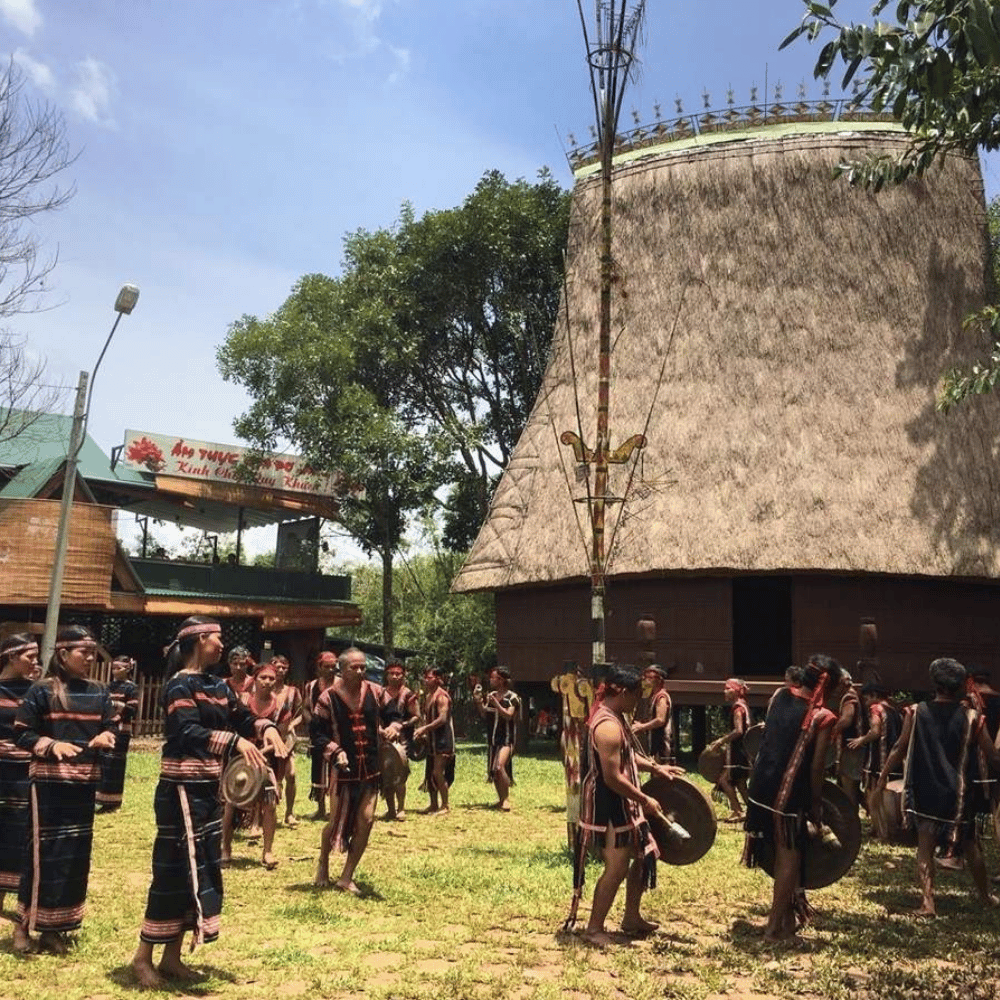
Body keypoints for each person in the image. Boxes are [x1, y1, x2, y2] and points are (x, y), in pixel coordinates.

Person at [131, 616, 285, 988]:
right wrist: (235, 742)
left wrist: (265, 727)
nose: (222, 645)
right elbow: (187, 731)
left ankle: (171, 958)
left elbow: (241, 716)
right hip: (180, 791)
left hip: (207, 790)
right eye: (217, 639)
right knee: (173, 871)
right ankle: (142, 958)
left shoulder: (217, 685)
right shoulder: (178, 685)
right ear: (201, 640)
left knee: (198, 871)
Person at [13, 625, 117, 955]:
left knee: (73, 859)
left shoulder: (99, 692)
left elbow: (111, 727)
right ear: (63, 653)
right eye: (83, 652)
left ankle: (54, 929)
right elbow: (22, 733)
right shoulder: (42, 691)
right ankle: (22, 927)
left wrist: (106, 737)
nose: (90, 658)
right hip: (48, 787)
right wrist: (51, 745)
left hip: (83, 786)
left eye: (93, 652)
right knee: (43, 857)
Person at [566, 664, 683, 947]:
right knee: (617, 866)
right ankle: (593, 929)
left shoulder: (617, 718)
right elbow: (613, 777)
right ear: (622, 693)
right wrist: (645, 799)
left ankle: (631, 917)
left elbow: (627, 756)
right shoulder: (607, 726)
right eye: (636, 694)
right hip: (608, 803)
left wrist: (655, 768)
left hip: (622, 799)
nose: (639, 701)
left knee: (643, 855)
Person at [874, 657, 1000, 917]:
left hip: (926, 790)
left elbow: (898, 748)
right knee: (971, 845)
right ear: (960, 686)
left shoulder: (916, 712)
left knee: (925, 847)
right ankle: (986, 896)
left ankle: (928, 903)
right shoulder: (973, 717)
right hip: (959, 794)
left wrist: (882, 778)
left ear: (935, 683)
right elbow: (992, 755)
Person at [743, 653, 842, 942]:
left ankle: (786, 918)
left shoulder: (779, 695)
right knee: (789, 856)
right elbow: (816, 767)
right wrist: (816, 806)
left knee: (779, 851)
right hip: (786, 793)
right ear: (828, 686)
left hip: (759, 786)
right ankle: (774, 928)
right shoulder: (823, 717)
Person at [312, 647, 383, 894]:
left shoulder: (376, 692)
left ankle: (346, 876)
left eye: (363, 667)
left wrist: (394, 727)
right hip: (342, 773)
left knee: (367, 820)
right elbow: (317, 734)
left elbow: (395, 714)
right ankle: (323, 862)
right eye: (355, 667)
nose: (361, 671)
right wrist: (335, 750)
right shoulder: (327, 698)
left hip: (371, 770)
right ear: (342, 669)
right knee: (334, 822)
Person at [222, 660, 291, 870]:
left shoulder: (280, 708)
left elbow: (281, 739)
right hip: (239, 760)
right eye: (263, 677)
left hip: (267, 761)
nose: (267, 682)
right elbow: (231, 728)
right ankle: (225, 847)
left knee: (270, 805)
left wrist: (262, 752)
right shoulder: (241, 701)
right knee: (230, 803)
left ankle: (267, 851)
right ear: (255, 679)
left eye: (271, 678)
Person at [0, 634, 39, 932]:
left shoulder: (37, 692)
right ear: (12, 657)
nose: (36, 662)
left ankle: (13, 906)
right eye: (30, 657)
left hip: (26, 774)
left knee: (19, 836)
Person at [849, 681, 903, 837]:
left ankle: (880, 831)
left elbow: (875, 731)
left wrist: (861, 740)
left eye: (867, 698)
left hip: (878, 760)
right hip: (893, 760)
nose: (866, 702)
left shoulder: (876, 709)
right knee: (887, 796)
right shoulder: (895, 711)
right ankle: (885, 828)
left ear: (874, 695)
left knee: (873, 796)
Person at [96, 654, 140, 812]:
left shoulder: (131, 688)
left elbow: (132, 709)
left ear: (127, 669)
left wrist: (115, 706)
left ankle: (114, 802)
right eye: (113, 668)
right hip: (106, 730)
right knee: (104, 763)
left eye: (118, 668)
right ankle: (102, 799)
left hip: (122, 732)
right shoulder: (108, 687)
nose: (115, 671)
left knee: (116, 765)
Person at [475, 666, 521, 811]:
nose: (490, 680)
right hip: (493, 739)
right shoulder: (491, 695)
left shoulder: (512, 698)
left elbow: (509, 716)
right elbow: (484, 713)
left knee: (500, 766)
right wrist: (478, 701)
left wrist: (496, 704)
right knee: (494, 771)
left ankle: (506, 799)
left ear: (500, 680)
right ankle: (500, 799)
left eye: (493, 677)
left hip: (507, 739)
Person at [377, 661, 418, 820]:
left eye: (398, 673)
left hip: (403, 738)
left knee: (399, 773)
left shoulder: (408, 694)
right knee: (385, 772)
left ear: (403, 675)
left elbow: (416, 716)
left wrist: (401, 726)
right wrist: (381, 729)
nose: (395, 676)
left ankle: (401, 808)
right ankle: (390, 809)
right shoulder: (380, 693)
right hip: (383, 737)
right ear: (386, 675)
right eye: (392, 673)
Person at [414, 666, 455, 815]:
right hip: (432, 740)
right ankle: (433, 804)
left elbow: (442, 719)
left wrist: (424, 729)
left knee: (438, 772)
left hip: (443, 740)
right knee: (430, 772)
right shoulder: (429, 696)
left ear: (438, 679)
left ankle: (445, 805)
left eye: (429, 677)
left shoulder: (442, 697)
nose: (426, 680)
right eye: (425, 677)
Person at [302, 651, 337, 820]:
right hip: (317, 733)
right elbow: (305, 708)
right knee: (318, 769)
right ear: (319, 667)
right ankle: (321, 808)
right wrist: (312, 723)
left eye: (333, 667)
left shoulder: (341, 684)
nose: (330, 670)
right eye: (327, 666)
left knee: (336, 768)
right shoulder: (311, 686)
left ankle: (335, 809)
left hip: (336, 732)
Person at [270, 654, 303, 828]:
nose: (281, 671)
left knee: (291, 775)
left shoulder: (292, 691)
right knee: (271, 777)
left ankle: (289, 813)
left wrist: (292, 724)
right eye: (278, 667)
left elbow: (301, 714)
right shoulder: (265, 689)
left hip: (286, 739)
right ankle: (266, 813)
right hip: (269, 740)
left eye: (284, 668)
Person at [711, 678, 751, 821]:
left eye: (728, 688)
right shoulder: (743, 705)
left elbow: (738, 731)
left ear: (736, 691)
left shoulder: (738, 708)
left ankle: (738, 811)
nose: (725, 691)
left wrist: (721, 741)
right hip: (743, 750)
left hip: (738, 751)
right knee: (740, 783)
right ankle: (751, 811)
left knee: (724, 780)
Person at [831, 669, 862, 807]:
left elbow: (847, 719)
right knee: (849, 787)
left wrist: (833, 731)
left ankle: (851, 817)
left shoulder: (849, 696)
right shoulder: (849, 694)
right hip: (850, 748)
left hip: (850, 748)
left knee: (849, 788)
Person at [632, 665, 672, 764]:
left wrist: (642, 727)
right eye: (645, 677)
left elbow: (660, 720)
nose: (646, 680)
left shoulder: (661, 697)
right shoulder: (653, 696)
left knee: (663, 769)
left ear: (659, 680)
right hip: (656, 742)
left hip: (663, 743)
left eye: (650, 677)